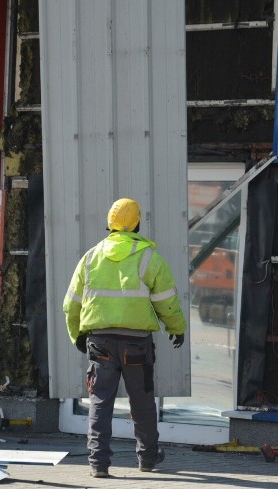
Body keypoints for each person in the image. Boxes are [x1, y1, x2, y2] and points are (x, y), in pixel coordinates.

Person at [63, 197, 187, 478]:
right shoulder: (148, 257)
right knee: (141, 402)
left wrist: (77, 335)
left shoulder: (91, 257)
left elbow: (71, 304)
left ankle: (98, 465)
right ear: (137, 224)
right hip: (136, 344)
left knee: (100, 402)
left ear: (109, 224)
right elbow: (167, 301)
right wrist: (177, 328)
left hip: (100, 341)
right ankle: (147, 459)